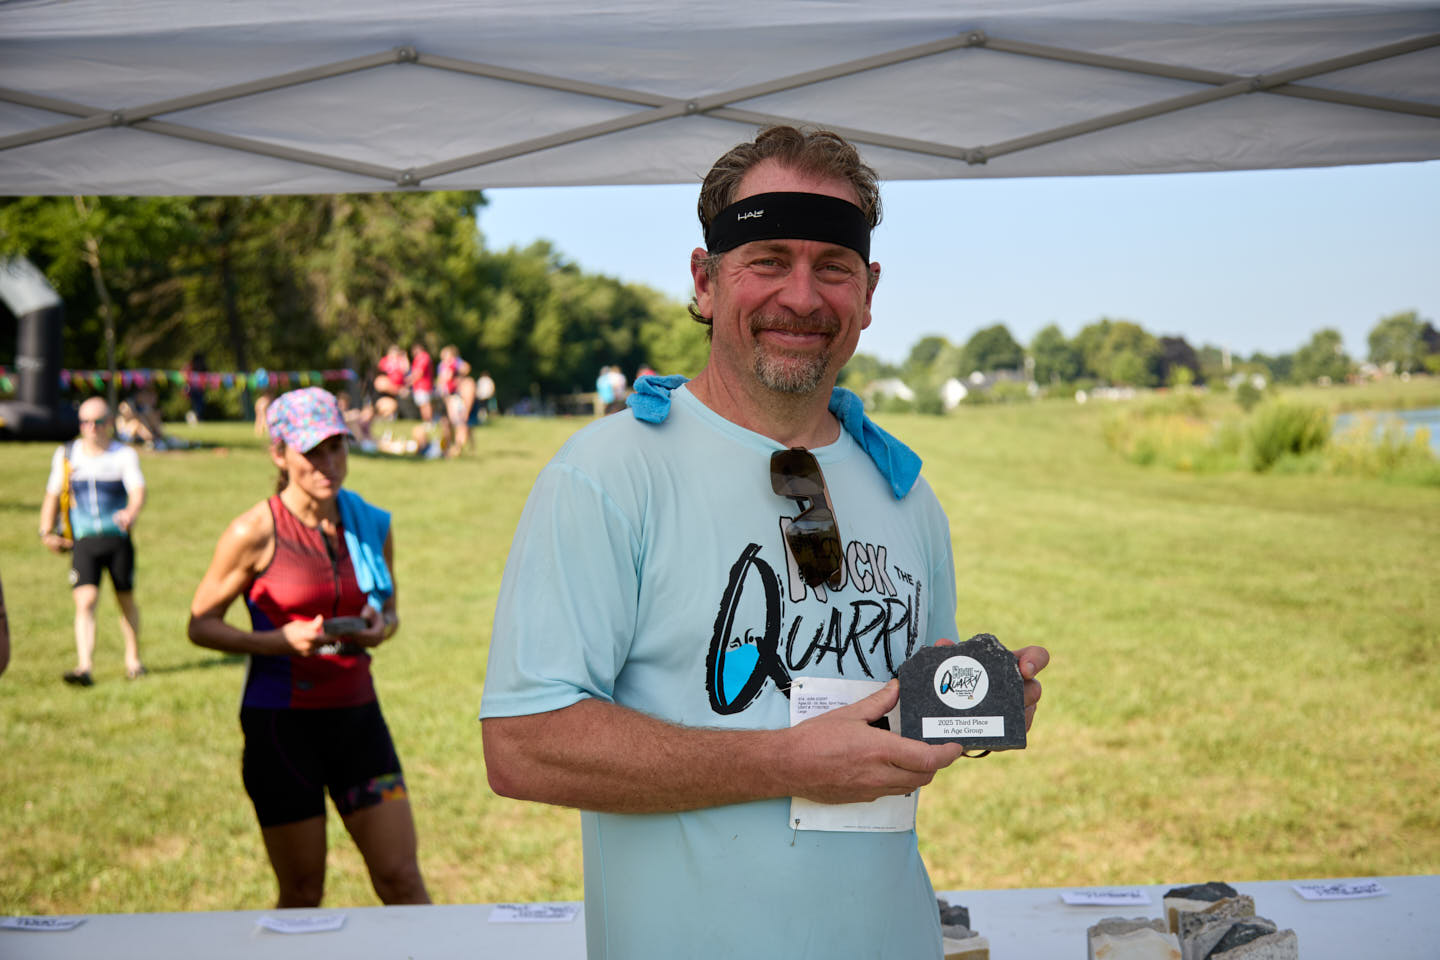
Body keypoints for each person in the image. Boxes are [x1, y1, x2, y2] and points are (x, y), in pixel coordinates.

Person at [479, 126, 1050, 959]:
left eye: (834, 267)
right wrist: (785, 762)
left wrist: (972, 704)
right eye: (769, 260)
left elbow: (892, 724)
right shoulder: (609, 472)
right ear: (705, 281)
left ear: (869, 291)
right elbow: (523, 745)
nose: (803, 297)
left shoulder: (905, 490)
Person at [186, 387, 429, 908]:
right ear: (279, 454)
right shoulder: (253, 531)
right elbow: (200, 625)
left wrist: (380, 626)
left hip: (358, 721)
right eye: (312, 452)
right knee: (302, 893)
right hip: (282, 729)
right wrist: (275, 641)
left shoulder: (370, 523)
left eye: (336, 447)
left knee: (402, 879)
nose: (328, 464)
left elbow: (389, 612)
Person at [39, 396, 147, 685]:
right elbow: (52, 494)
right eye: (85, 422)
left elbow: (137, 491)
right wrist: (45, 531)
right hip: (84, 541)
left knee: (125, 599)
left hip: (117, 539)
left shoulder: (123, 455)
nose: (91, 428)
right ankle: (84, 666)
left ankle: (133, 659)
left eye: (97, 422)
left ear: (109, 423)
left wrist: (131, 512)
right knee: (85, 601)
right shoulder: (67, 454)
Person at [407, 342, 435, 422]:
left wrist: (409, 381)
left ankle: (429, 421)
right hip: (419, 386)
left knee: (425, 404)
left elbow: (419, 372)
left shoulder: (423, 357)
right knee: (422, 404)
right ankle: (426, 421)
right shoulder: (419, 358)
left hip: (423, 385)